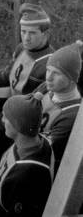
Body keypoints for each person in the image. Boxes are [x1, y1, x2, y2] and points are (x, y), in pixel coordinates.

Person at [0, 3, 54, 103]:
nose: (26, 38)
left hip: (24, 112)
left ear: (45, 34)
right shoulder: (21, 48)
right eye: (23, 31)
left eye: (32, 33)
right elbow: (7, 74)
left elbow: (37, 103)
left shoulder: (50, 64)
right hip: (9, 102)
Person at [36, 43, 82, 174]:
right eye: (48, 70)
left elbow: (44, 150)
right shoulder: (48, 87)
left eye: (56, 73)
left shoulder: (72, 114)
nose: (48, 77)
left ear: (72, 79)